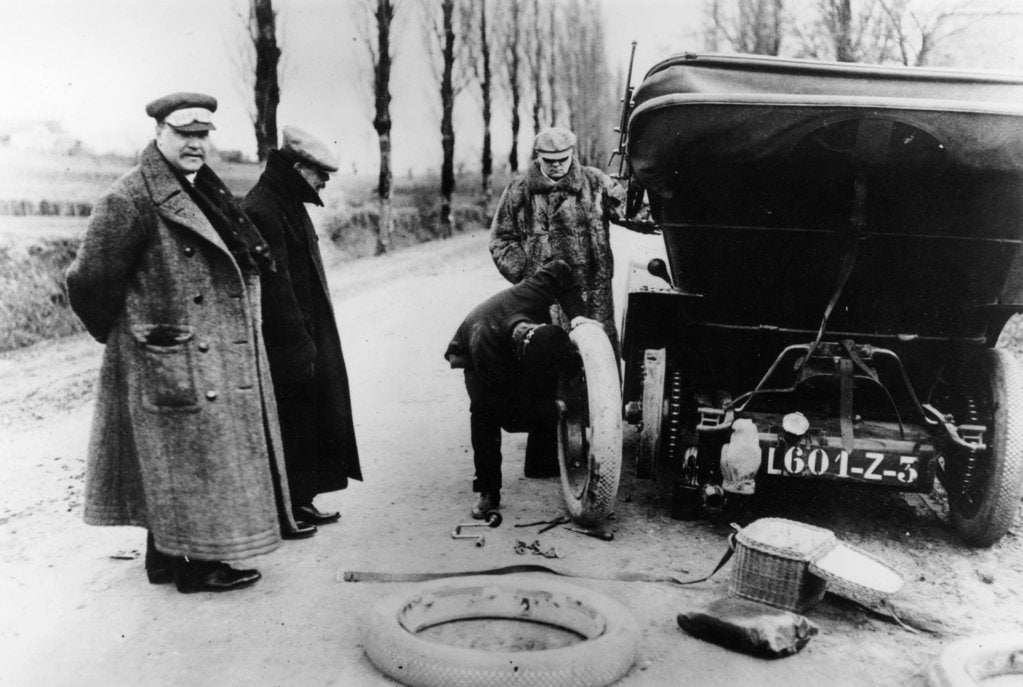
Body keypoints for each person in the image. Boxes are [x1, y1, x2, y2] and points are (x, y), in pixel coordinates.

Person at [65, 92, 310, 594]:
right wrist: (135, 339)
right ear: (159, 134)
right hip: (169, 356)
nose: (196, 144)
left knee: (183, 457)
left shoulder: (207, 190)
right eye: (184, 134)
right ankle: (195, 566)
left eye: (203, 135)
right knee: (186, 458)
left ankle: (163, 555)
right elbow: (89, 282)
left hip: (208, 354)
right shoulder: (130, 198)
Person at [242, 126, 362, 528]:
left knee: (307, 419)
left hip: (305, 336)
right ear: (297, 168)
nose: (323, 181)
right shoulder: (263, 207)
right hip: (287, 342)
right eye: (318, 173)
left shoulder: (285, 202)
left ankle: (300, 499)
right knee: (290, 423)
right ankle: (287, 508)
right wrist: (298, 345)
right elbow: (275, 291)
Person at [444, 259, 599, 518]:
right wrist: (555, 407)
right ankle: (488, 490)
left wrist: (578, 316)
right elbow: (509, 415)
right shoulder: (486, 349)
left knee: (548, 382)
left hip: (508, 336)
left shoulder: (531, 294)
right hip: (476, 349)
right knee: (484, 414)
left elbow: (560, 269)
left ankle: (542, 464)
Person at [489, 126, 627, 361]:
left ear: (572, 154)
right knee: (548, 360)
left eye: (562, 159)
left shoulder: (595, 182)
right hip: (544, 296)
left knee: (597, 366)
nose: (556, 165)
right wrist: (526, 274)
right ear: (538, 156)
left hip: (592, 294)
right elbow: (501, 239)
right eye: (549, 160)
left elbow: (628, 212)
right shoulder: (519, 190)